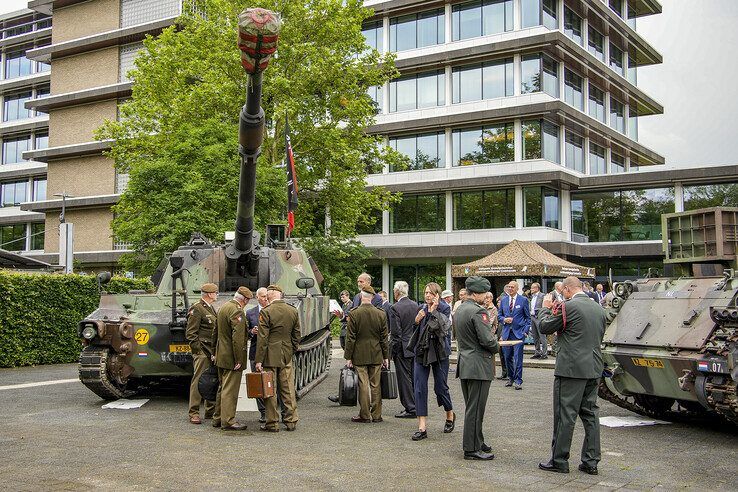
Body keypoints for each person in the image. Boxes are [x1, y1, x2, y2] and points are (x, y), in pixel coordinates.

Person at [537, 276, 607, 476]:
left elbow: (545, 326)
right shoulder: (599, 309)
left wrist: (545, 307)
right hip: (593, 367)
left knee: (565, 415)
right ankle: (591, 461)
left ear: (567, 289)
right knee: (591, 414)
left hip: (571, 369)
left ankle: (559, 460)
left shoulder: (569, 307)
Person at [454, 276, 499, 461]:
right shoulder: (479, 312)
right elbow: (487, 340)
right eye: (484, 293)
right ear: (478, 293)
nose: (486, 296)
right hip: (479, 365)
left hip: (465, 363)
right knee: (476, 409)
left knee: (473, 406)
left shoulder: (460, 309)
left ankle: (478, 441)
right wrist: (497, 345)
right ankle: (471, 448)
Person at [408, 282, 454, 441]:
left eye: (430, 293)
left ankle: (449, 413)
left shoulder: (444, 308)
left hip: (439, 351)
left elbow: (443, 329)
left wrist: (433, 311)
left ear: (437, 295)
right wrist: (416, 321)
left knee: (440, 387)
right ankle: (422, 427)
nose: (427, 295)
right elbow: (417, 331)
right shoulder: (421, 308)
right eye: (426, 292)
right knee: (419, 387)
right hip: (422, 351)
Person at [255, 285, 301, 432]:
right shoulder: (292, 311)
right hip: (286, 354)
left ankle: (272, 422)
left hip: (269, 355)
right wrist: (291, 350)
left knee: (270, 389)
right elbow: (296, 335)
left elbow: (262, 339)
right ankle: (291, 421)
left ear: (269, 296)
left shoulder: (266, 312)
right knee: (288, 389)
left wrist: (258, 361)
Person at [344, 285, 389, 423]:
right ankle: (376, 415)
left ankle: (364, 414)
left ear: (361, 296)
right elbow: (384, 337)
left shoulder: (354, 313)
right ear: (373, 297)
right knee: (376, 385)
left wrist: (348, 357)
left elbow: (350, 337)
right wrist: (386, 356)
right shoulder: (381, 313)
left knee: (363, 384)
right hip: (376, 353)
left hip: (359, 354)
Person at [213, 286, 252, 431]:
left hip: (221, 354)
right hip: (231, 357)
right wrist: (239, 359)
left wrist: (213, 351)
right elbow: (237, 338)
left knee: (222, 388)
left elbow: (215, 332)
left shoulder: (224, 307)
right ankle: (228, 420)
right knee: (230, 390)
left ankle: (218, 418)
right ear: (245, 300)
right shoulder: (237, 310)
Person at [186, 282, 218, 424]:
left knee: (211, 381)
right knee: (198, 380)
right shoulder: (197, 308)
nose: (217, 295)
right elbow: (191, 333)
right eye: (215, 293)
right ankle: (194, 412)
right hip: (203, 352)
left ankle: (210, 410)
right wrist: (199, 351)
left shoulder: (210, 308)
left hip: (212, 351)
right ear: (210, 294)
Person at [389, 280, 419, 418]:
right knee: (414, 377)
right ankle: (416, 406)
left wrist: (392, 351)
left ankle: (410, 407)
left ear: (396, 292)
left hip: (402, 347)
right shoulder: (416, 306)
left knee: (404, 379)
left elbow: (395, 332)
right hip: (414, 346)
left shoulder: (395, 308)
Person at [497, 281, 530, 390]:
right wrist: (504, 320)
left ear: (517, 288)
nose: (510, 289)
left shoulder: (523, 300)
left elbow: (528, 318)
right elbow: (499, 316)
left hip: (518, 333)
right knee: (507, 357)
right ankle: (511, 378)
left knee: (517, 358)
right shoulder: (504, 300)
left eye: (512, 287)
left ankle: (518, 380)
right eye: (508, 287)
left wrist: (525, 331)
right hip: (507, 333)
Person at [246, 287, 269, 423]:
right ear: (257, 297)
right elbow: (245, 332)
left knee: (271, 382)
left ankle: (272, 410)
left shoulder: (273, 310)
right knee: (257, 384)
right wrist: (251, 332)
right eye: (263, 296)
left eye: (267, 296)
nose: (265, 298)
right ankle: (263, 412)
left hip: (270, 352)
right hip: (255, 351)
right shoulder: (250, 313)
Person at [482, 292, 500, 378]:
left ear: (491, 298)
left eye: (487, 298)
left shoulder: (494, 309)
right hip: (483, 333)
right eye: (485, 298)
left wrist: (481, 325)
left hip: (490, 333)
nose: (486, 300)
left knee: (491, 354)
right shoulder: (482, 308)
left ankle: (492, 372)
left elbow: (490, 322)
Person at [528, 282, 547, 360]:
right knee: (535, 336)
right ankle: (537, 352)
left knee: (542, 336)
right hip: (532, 317)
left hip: (539, 317)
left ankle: (544, 353)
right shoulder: (532, 297)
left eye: (532, 288)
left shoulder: (542, 296)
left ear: (537, 288)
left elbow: (544, 307)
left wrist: (538, 311)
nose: (531, 289)